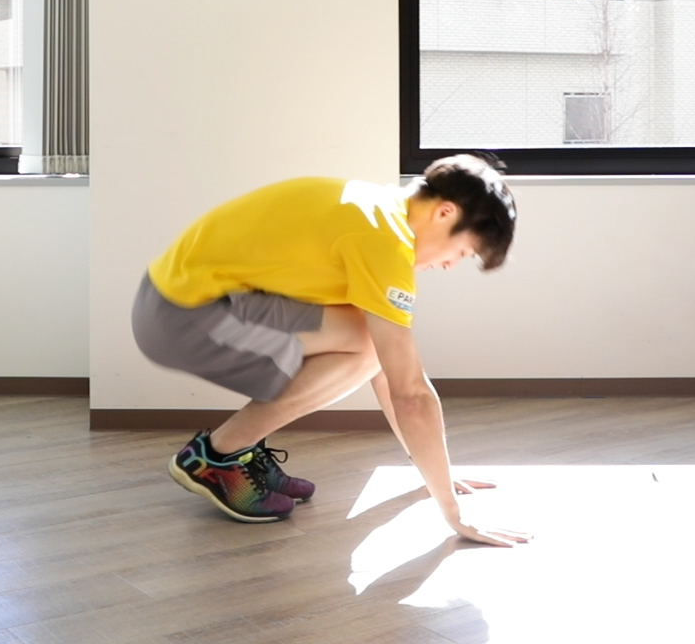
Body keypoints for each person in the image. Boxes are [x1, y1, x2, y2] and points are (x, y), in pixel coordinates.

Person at [132, 154, 529, 546]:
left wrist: (432, 472)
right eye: (462, 252)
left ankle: (238, 451)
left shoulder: (378, 210)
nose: (449, 265)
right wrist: (455, 516)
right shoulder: (383, 242)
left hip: (174, 301)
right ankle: (216, 458)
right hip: (180, 317)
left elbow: (391, 374)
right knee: (370, 345)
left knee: (371, 342)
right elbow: (409, 393)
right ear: (444, 213)